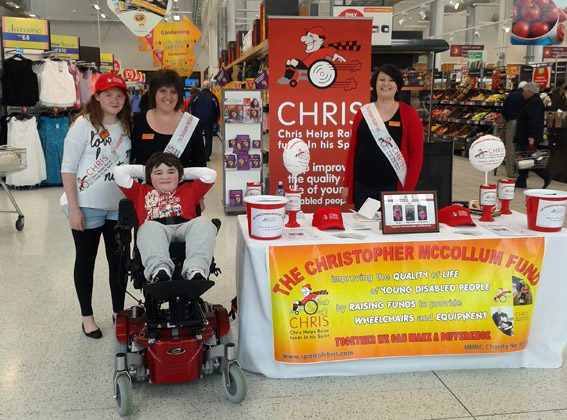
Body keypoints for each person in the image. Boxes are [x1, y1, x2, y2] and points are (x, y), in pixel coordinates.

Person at [60, 74, 132, 339]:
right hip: (87, 206)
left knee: (119, 262)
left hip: (118, 207)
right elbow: (67, 169)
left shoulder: (126, 125)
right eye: (109, 95)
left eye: (120, 95)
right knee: (86, 261)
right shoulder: (82, 125)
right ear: (97, 97)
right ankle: (87, 317)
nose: (115, 100)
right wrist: (74, 208)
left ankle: (118, 312)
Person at [114, 152, 217, 283]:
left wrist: (180, 172)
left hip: (185, 227)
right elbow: (119, 172)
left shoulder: (189, 189)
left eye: (171, 172)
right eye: (158, 173)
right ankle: (159, 269)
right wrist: (147, 171)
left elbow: (210, 174)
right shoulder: (140, 191)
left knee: (204, 223)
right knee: (148, 227)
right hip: (155, 227)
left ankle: (196, 270)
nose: (165, 177)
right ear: (149, 177)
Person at [343, 64, 424, 211]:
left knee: (389, 232)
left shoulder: (409, 114)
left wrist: (408, 192)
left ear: (398, 86)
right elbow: (353, 151)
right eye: (382, 79)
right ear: (374, 84)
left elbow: (416, 156)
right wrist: (346, 186)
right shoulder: (363, 113)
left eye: (391, 80)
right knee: (366, 229)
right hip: (363, 188)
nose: (386, 84)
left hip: (392, 189)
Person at [131, 69, 206, 168]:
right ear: (153, 93)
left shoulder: (192, 125)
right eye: (162, 91)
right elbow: (129, 161)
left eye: (173, 92)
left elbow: (199, 167)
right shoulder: (137, 122)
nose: (168, 97)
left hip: (183, 183)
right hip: (145, 183)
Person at [514, 82, 552, 189]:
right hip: (527, 135)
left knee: (528, 159)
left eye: (524, 91)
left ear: (530, 92)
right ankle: (521, 181)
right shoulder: (532, 101)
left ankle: (545, 174)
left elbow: (533, 120)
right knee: (526, 158)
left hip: (528, 136)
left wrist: (531, 136)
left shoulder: (534, 102)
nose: (522, 94)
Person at [190, 81, 220, 161]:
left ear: (202, 87)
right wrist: (216, 120)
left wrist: (192, 117)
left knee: (197, 138)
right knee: (208, 139)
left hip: (197, 121)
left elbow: (191, 106)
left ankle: (198, 155)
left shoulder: (196, 96)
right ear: (210, 87)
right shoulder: (213, 96)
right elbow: (217, 109)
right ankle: (206, 156)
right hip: (209, 121)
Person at [502, 81, 526, 178]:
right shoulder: (527, 97)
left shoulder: (511, 96)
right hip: (523, 123)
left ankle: (511, 172)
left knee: (511, 147)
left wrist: (507, 118)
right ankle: (521, 171)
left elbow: (503, 110)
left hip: (511, 122)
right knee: (521, 148)